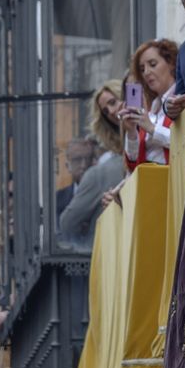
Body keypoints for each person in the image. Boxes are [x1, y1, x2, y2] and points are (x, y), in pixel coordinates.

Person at [58, 86, 128, 249]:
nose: (111, 111)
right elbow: (67, 224)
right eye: (105, 111)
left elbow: (68, 223)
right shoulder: (102, 172)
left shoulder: (101, 173)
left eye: (113, 102)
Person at [119, 39, 179, 172]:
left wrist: (152, 128)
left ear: (171, 63)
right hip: (151, 185)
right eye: (142, 69)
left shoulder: (182, 98)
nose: (146, 72)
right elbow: (133, 163)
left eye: (153, 64)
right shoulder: (152, 109)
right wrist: (131, 132)